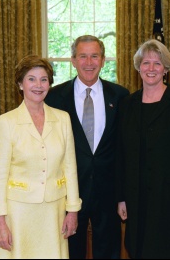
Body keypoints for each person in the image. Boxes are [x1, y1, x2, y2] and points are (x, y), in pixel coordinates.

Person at [0, 55, 82, 259]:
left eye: (44, 79)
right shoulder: (6, 122)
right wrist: (0, 222)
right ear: (20, 84)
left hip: (54, 212)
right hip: (18, 213)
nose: (38, 85)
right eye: (31, 79)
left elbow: (70, 168)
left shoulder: (63, 119)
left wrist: (73, 211)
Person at [116, 39, 170, 259]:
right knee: (139, 250)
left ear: (166, 68)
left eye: (157, 63)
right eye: (146, 63)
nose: (151, 68)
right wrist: (121, 197)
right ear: (138, 67)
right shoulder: (127, 105)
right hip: (136, 199)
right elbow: (121, 157)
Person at [45, 35, 130, 259]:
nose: (89, 62)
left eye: (95, 56)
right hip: (68, 192)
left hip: (109, 192)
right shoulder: (54, 98)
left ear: (103, 60)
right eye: (83, 56)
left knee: (109, 251)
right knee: (70, 251)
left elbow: (126, 148)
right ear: (73, 60)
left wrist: (124, 193)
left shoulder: (121, 96)